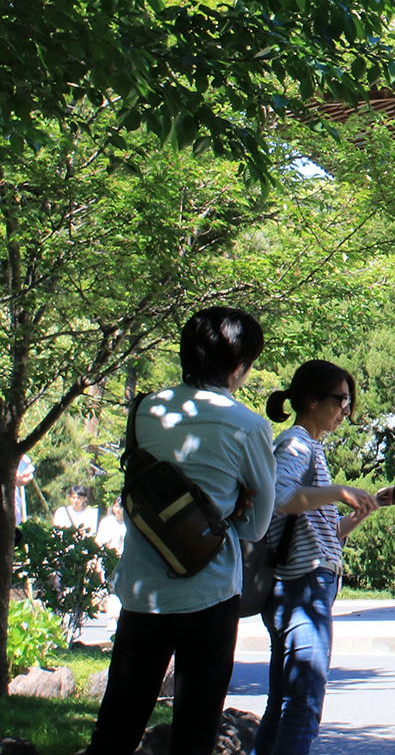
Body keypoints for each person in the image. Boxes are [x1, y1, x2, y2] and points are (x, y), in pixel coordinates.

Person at [89, 307, 277, 755]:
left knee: (117, 725)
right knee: (196, 728)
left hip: (141, 589)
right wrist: (232, 509)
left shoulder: (144, 411)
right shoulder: (248, 426)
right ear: (239, 367)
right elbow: (256, 524)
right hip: (208, 593)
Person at [256, 359, 395, 755]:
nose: (347, 410)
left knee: (283, 704)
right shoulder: (295, 444)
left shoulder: (311, 448)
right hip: (301, 588)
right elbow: (277, 498)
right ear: (311, 400)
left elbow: (322, 533)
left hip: (304, 583)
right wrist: (339, 491)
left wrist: (368, 504)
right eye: (341, 400)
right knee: (304, 703)